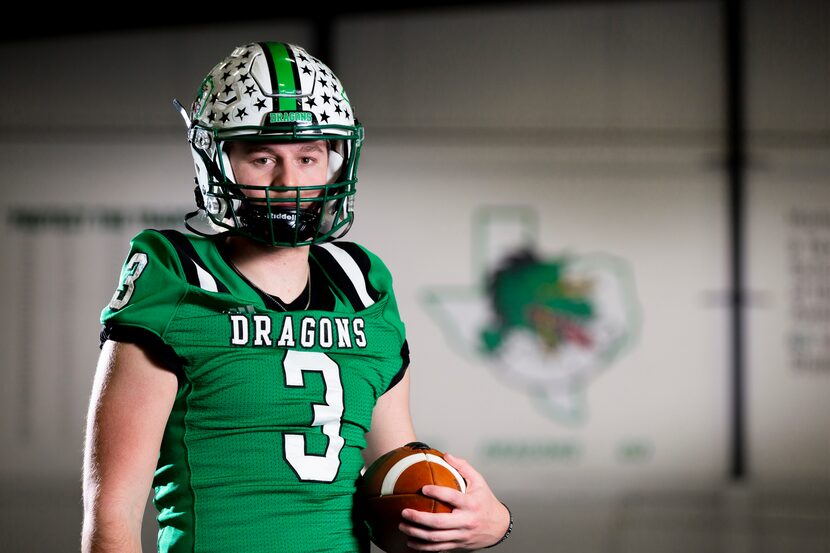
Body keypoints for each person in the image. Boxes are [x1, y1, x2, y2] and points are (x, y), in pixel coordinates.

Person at [82, 41, 512, 553]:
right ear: (214, 161)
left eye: (308, 157)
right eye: (263, 157)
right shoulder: (176, 275)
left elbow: (395, 476)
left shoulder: (361, 283)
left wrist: (488, 520)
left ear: (334, 161)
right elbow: (113, 515)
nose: (289, 182)